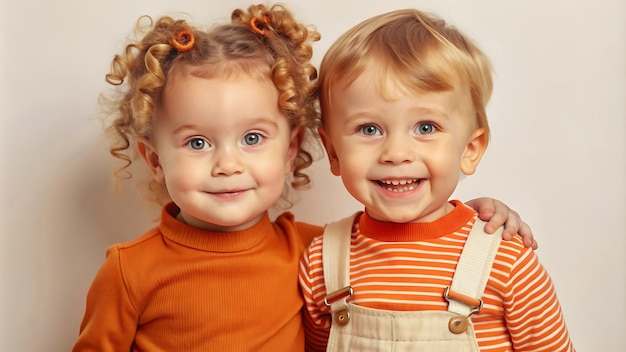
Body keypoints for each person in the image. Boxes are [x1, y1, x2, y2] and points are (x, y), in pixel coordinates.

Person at [73, 4, 537, 351]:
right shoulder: (129, 271)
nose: (227, 164)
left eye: (252, 138)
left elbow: (406, 240)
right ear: (154, 160)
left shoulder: (313, 251)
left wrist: (486, 212)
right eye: (198, 143)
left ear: (292, 148)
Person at [299, 8, 574, 352]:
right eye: (369, 129)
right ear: (334, 152)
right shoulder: (321, 261)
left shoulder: (505, 259)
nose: (396, 153)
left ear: (470, 149)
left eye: (425, 128)